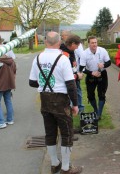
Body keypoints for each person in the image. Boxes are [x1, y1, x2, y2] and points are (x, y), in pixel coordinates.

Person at [29, 31, 83, 174]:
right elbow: (71, 84)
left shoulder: (37, 58)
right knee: (66, 133)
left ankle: (54, 163)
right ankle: (66, 167)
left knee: (50, 133)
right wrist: (75, 105)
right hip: (61, 100)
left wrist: (46, 83)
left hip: (45, 99)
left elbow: (32, 82)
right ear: (59, 43)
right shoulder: (63, 58)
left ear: (45, 42)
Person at [79, 36, 111, 120]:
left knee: (102, 94)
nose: (94, 44)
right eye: (92, 43)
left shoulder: (102, 50)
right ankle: (96, 111)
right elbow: (81, 68)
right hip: (90, 75)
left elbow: (109, 62)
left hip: (102, 74)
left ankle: (99, 114)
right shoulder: (84, 53)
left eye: (95, 42)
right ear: (88, 44)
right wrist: (92, 72)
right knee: (90, 95)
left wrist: (103, 65)